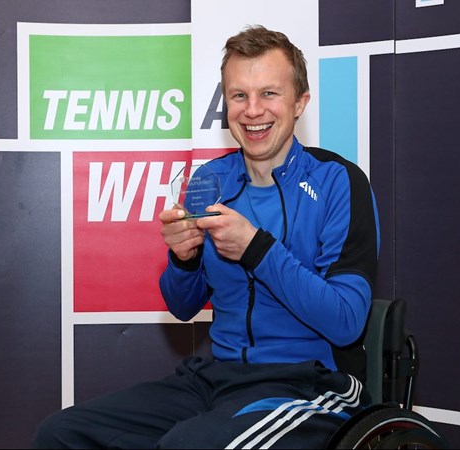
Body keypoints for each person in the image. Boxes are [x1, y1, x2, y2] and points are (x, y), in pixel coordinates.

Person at [31, 24, 380, 449]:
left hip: (310, 384)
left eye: (269, 93)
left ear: (299, 102)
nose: (253, 110)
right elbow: (182, 306)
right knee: (60, 434)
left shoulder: (338, 181)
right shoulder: (211, 179)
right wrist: (183, 259)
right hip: (216, 378)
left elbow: (345, 323)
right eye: (239, 95)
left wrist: (257, 249)